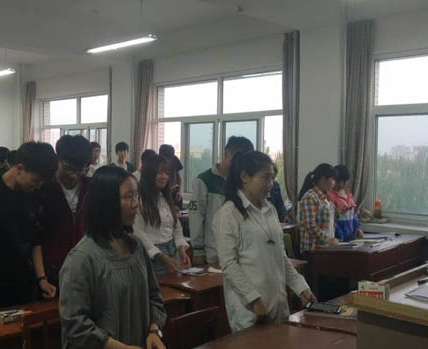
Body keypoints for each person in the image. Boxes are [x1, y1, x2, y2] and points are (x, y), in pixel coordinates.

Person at [54, 166, 168, 349]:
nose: (135, 204)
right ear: (106, 202)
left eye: (136, 195)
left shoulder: (137, 248)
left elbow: (155, 298)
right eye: (128, 197)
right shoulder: (82, 258)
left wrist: (153, 331)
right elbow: (75, 325)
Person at [213, 151, 316, 332]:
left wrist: (301, 287)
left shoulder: (270, 210)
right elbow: (229, 264)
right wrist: (253, 299)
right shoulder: (228, 213)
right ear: (244, 177)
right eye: (265, 178)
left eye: (272, 178)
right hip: (251, 311)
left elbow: (281, 257)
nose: (270, 184)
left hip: (278, 304)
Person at [0, 142, 58, 310]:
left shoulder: (35, 195)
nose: (38, 185)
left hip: (23, 282)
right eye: (36, 180)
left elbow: (35, 239)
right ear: (19, 168)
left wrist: (41, 278)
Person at [189, 136, 253, 265]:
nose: (239, 164)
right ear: (226, 153)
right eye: (236, 158)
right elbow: (196, 216)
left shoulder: (242, 181)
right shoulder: (204, 180)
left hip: (240, 252)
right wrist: (198, 249)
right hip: (213, 252)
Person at [40, 135, 91, 287]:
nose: (73, 175)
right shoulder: (42, 187)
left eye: (79, 169)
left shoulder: (92, 188)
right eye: (68, 168)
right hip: (51, 270)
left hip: (85, 268)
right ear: (58, 160)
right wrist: (41, 276)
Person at [133, 154, 190, 275]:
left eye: (167, 173)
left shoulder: (165, 198)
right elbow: (139, 234)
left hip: (172, 252)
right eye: (160, 172)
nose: (165, 177)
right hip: (153, 257)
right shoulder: (139, 201)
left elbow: (176, 227)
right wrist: (163, 257)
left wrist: (181, 250)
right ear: (150, 174)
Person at [298, 163, 339, 257]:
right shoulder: (310, 197)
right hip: (312, 250)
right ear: (323, 179)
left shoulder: (325, 197)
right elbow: (311, 225)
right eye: (332, 179)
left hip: (326, 247)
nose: (334, 183)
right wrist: (327, 239)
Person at [328, 165, 363, 242]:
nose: (341, 184)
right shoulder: (329, 195)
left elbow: (353, 214)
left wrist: (358, 227)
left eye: (345, 182)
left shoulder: (348, 193)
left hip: (351, 236)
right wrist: (340, 235)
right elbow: (331, 219)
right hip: (338, 238)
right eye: (339, 181)